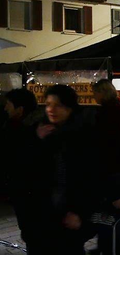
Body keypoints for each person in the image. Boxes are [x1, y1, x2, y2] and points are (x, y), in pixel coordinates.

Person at [22, 85, 99, 255]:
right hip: (40, 217)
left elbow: (90, 178)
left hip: (69, 215)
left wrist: (80, 212)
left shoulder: (83, 134)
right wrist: (36, 142)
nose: (51, 109)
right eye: (48, 104)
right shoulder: (37, 130)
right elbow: (25, 173)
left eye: (58, 105)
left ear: (70, 107)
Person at [1, 89, 40, 226]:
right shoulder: (12, 125)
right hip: (18, 189)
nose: (6, 107)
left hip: (30, 192)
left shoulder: (35, 130)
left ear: (20, 109)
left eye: (9, 104)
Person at [93, 79, 120, 178]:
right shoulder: (119, 109)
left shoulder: (105, 112)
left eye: (95, 93)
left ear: (103, 93)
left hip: (109, 157)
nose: (94, 96)